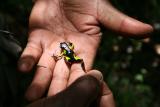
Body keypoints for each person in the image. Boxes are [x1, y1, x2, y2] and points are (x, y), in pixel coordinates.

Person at [17, 0, 153, 106]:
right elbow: (64, 51)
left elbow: (67, 51)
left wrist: (66, 54)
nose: (63, 46)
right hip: (71, 56)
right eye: (64, 46)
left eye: (64, 46)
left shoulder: (66, 52)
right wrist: (61, 53)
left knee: (78, 64)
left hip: (73, 58)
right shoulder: (65, 52)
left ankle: (80, 69)